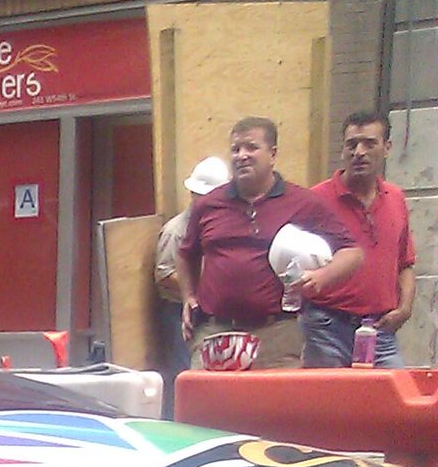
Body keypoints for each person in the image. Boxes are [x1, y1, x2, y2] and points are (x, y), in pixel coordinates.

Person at [176, 116, 361, 370]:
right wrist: (189, 296)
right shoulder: (208, 204)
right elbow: (186, 254)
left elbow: (352, 252)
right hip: (215, 332)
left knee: (274, 409)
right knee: (210, 408)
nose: (242, 155)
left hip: (277, 335)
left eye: (251, 147)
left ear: (272, 154)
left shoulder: (303, 202)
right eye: (235, 149)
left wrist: (322, 277)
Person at [303, 110, 417, 367]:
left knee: (392, 402)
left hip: (380, 330)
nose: (359, 152)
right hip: (326, 329)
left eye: (369, 143)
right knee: (330, 404)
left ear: (387, 148)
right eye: (351, 144)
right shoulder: (314, 201)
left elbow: (406, 262)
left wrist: (405, 309)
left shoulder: (396, 198)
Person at [154, 155, 229, 401]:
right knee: (183, 373)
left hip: (204, 310)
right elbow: (164, 274)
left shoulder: (216, 225)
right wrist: (202, 287)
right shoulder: (176, 231)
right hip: (177, 311)